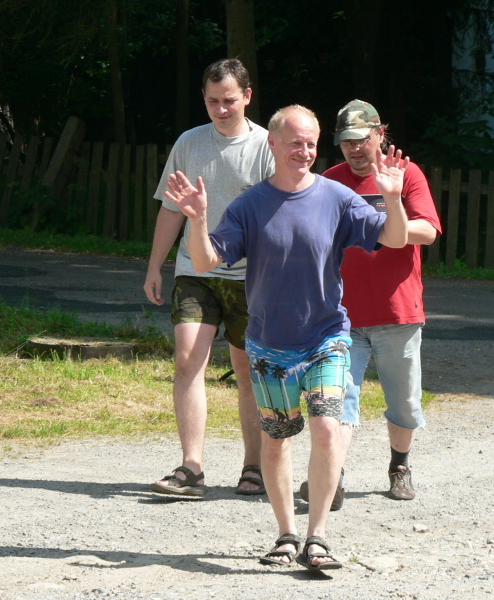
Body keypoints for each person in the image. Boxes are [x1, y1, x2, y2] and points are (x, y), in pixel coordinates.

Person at [163, 105, 409, 571]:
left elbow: (394, 240)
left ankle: (318, 537)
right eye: (296, 142)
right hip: (270, 344)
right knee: (277, 440)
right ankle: (286, 534)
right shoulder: (250, 204)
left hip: (326, 336)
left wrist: (392, 199)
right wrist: (196, 219)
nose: (305, 151)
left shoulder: (336, 197)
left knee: (327, 427)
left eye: (312, 143)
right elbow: (207, 260)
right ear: (272, 144)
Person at [143, 58, 275, 498]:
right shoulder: (189, 142)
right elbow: (171, 209)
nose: (221, 109)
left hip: (249, 277)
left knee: (246, 369)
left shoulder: (266, 146)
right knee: (186, 360)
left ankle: (254, 466)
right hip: (195, 270)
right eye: (213, 101)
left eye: (229, 101)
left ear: (247, 97)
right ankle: (192, 468)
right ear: (203, 98)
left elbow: (279, 216)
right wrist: (155, 266)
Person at [299, 100, 442, 507]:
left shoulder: (405, 174)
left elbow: (428, 231)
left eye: (362, 140)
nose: (355, 149)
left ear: (380, 135)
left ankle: (400, 466)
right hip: (341, 315)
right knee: (338, 398)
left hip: (397, 312)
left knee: (404, 402)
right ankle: (332, 477)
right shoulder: (329, 180)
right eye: (347, 142)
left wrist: (387, 213)